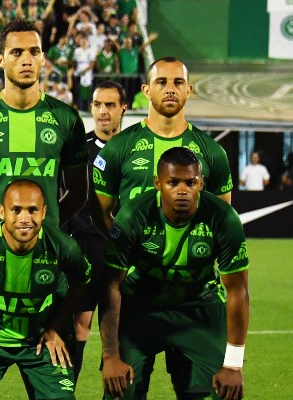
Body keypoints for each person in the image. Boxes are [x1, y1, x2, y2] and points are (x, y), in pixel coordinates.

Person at [99, 147, 249, 400]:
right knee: (121, 391)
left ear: (201, 183)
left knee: (222, 392)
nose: (182, 190)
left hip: (198, 308)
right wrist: (111, 355)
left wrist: (233, 364)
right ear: (158, 183)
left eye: (190, 182)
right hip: (141, 308)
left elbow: (238, 290)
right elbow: (110, 285)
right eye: (173, 182)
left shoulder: (223, 218)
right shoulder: (133, 215)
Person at [0, 179, 91, 400]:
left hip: (40, 343)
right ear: (2, 212)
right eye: (16, 210)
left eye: (32, 210)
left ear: (44, 212)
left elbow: (82, 280)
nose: (25, 219)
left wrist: (56, 327)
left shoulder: (63, 246)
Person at [0, 19, 88, 232]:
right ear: (0, 60)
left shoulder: (66, 118)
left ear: (43, 59)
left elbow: (78, 191)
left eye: (34, 52)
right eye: (16, 52)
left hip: (44, 253)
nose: (27, 60)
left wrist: (46, 227)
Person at [93, 57, 234, 233]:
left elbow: (223, 218)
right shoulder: (117, 147)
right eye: (161, 82)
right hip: (133, 261)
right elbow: (100, 213)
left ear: (188, 90)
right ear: (146, 90)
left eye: (178, 83)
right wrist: (122, 244)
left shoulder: (213, 151)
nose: (170, 90)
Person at [61, 81, 126, 382]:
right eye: (98, 104)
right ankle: (66, 389)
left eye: (110, 105)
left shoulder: (132, 150)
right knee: (79, 326)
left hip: (120, 252)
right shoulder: (77, 152)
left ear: (123, 109)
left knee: (120, 332)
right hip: (84, 248)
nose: (103, 111)